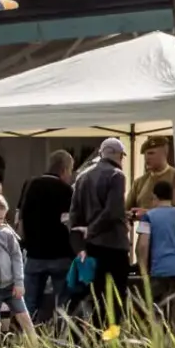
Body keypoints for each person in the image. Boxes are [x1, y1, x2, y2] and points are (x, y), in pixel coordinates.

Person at [69, 137, 131, 326]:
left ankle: (96, 339)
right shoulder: (117, 176)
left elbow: (74, 215)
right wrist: (92, 229)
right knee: (116, 298)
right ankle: (111, 341)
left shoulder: (82, 177)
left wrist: (79, 245)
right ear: (120, 156)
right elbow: (113, 211)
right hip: (114, 246)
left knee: (96, 296)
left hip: (92, 248)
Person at [17, 149, 76, 323]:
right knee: (62, 305)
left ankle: (25, 340)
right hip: (60, 256)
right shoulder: (67, 191)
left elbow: (20, 219)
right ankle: (61, 341)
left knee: (28, 304)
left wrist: (25, 244)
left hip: (34, 255)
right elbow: (69, 224)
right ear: (65, 169)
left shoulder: (30, 185)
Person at [0, 194, 33, 347]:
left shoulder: (7, 235)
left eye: (1, 218)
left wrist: (19, 282)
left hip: (11, 287)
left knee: (25, 318)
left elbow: (17, 259)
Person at [135, 179, 175, 327]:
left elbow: (143, 245)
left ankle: (158, 346)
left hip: (159, 271)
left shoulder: (148, 216)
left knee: (156, 311)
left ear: (155, 197)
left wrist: (143, 270)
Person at [127, 137, 175, 218]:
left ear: (164, 153)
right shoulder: (139, 182)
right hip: (143, 230)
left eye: (151, 153)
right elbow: (126, 210)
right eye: (145, 154)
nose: (147, 158)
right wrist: (133, 214)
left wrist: (148, 213)